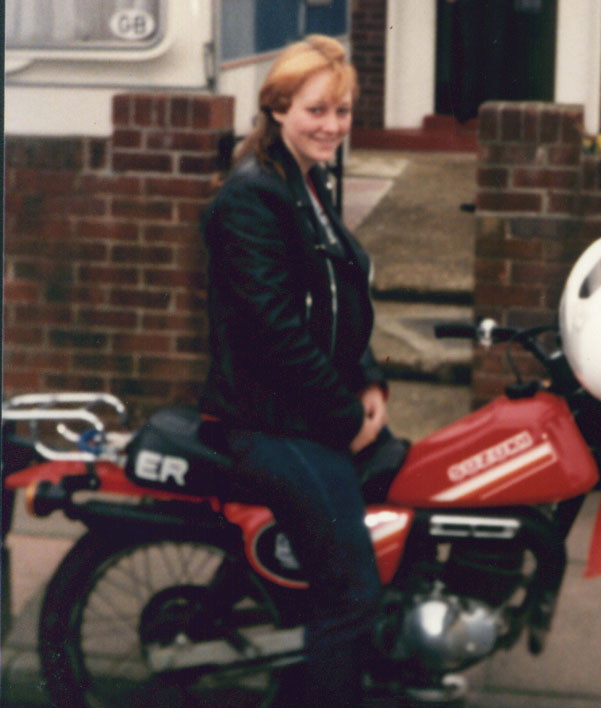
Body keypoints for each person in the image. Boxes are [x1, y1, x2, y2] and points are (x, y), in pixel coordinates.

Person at [200, 35, 387, 708]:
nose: (332, 126)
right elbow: (274, 330)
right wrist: (345, 415)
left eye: (342, 111)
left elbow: (338, 297)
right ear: (278, 109)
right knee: (352, 596)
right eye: (316, 110)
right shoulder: (251, 199)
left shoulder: (307, 180)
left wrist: (367, 378)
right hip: (271, 422)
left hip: (309, 410)